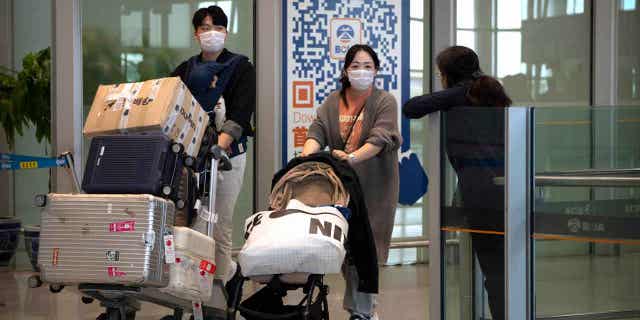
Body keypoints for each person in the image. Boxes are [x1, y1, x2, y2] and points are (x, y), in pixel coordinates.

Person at [402, 45, 512, 320]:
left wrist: (448, 96)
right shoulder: (492, 91)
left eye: (441, 74)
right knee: (505, 267)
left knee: (493, 269)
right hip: (509, 183)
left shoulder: (460, 94)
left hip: (480, 193)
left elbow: (412, 107)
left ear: (448, 75)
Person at [301, 44, 401, 320]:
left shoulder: (384, 101)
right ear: (346, 70)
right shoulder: (333, 101)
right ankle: (363, 309)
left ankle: (363, 311)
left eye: (368, 66)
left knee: (366, 250)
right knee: (346, 251)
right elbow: (317, 131)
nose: (361, 71)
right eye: (356, 65)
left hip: (376, 189)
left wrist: (354, 157)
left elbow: (381, 138)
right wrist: (307, 155)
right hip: (342, 189)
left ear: (376, 70)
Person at [170, 5, 255, 297]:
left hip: (226, 157)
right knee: (189, 222)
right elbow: (169, 104)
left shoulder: (241, 67)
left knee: (218, 222)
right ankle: (190, 287)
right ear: (196, 34)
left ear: (226, 32)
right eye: (205, 28)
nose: (211, 33)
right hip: (189, 158)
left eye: (217, 27)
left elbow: (241, 114)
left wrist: (220, 145)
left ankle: (220, 287)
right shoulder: (185, 70)